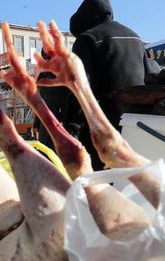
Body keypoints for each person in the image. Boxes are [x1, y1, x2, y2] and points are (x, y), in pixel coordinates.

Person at [67, 0, 150, 170]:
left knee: (101, 188)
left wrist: (71, 134)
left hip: (101, 133)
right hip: (135, 128)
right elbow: (149, 80)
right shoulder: (135, 37)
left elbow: (78, 90)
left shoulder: (87, 38)